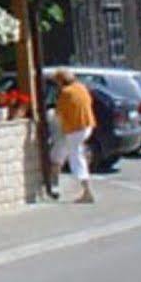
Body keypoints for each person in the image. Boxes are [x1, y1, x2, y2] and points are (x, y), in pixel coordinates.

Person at [52, 70, 96, 204]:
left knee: (75, 158)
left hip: (74, 129)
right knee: (60, 153)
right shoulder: (81, 88)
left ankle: (87, 191)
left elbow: (58, 115)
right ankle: (55, 185)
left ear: (60, 81)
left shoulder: (66, 93)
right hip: (86, 125)